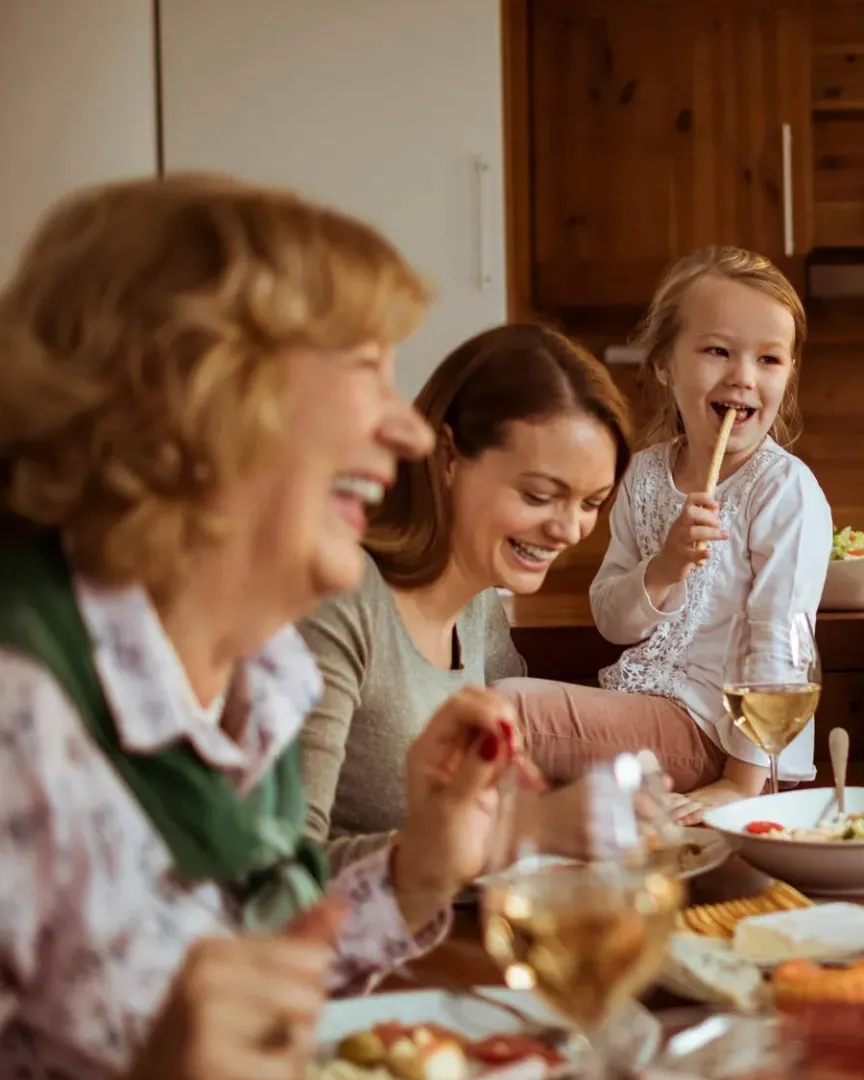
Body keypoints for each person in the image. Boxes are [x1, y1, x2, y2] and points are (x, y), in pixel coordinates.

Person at [0, 175, 525, 1078]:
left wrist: (416, 875)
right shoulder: (20, 723)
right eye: (367, 369)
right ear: (197, 390)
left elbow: (254, 972)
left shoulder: (264, 673)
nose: (406, 432)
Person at [502, 246, 832, 822]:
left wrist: (740, 785)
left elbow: (779, 648)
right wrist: (665, 568)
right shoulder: (644, 475)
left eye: (769, 360)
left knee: (509, 712)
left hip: (720, 739)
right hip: (647, 713)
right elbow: (612, 619)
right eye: (717, 351)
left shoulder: (785, 491)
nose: (743, 377)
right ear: (664, 364)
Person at [298, 323, 633, 868]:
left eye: (592, 502)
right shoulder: (343, 599)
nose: (570, 530)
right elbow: (281, 880)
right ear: (448, 457)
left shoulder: (478, 604)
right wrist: (512, 833)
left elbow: (506, 792)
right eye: (540, 495)